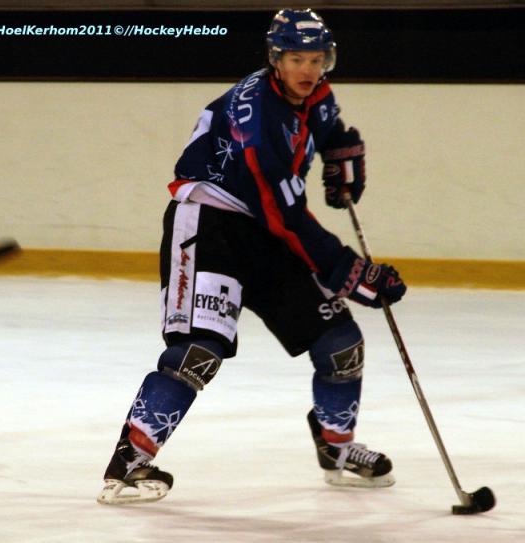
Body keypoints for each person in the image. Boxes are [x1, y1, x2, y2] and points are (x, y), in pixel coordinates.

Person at [97, 8, 406, 505]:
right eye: (296, 59)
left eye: (317, 58)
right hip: (211, 226)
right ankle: (129, 463)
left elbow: (325, 126)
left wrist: (343, 150)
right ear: (274, 59)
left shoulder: (316, 95)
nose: (308, 70)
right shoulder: (257, 121)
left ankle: (337, 447)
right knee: (199, 353)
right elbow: (286, 217)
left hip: (264, 230)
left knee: (340, 343)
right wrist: (350, 271)